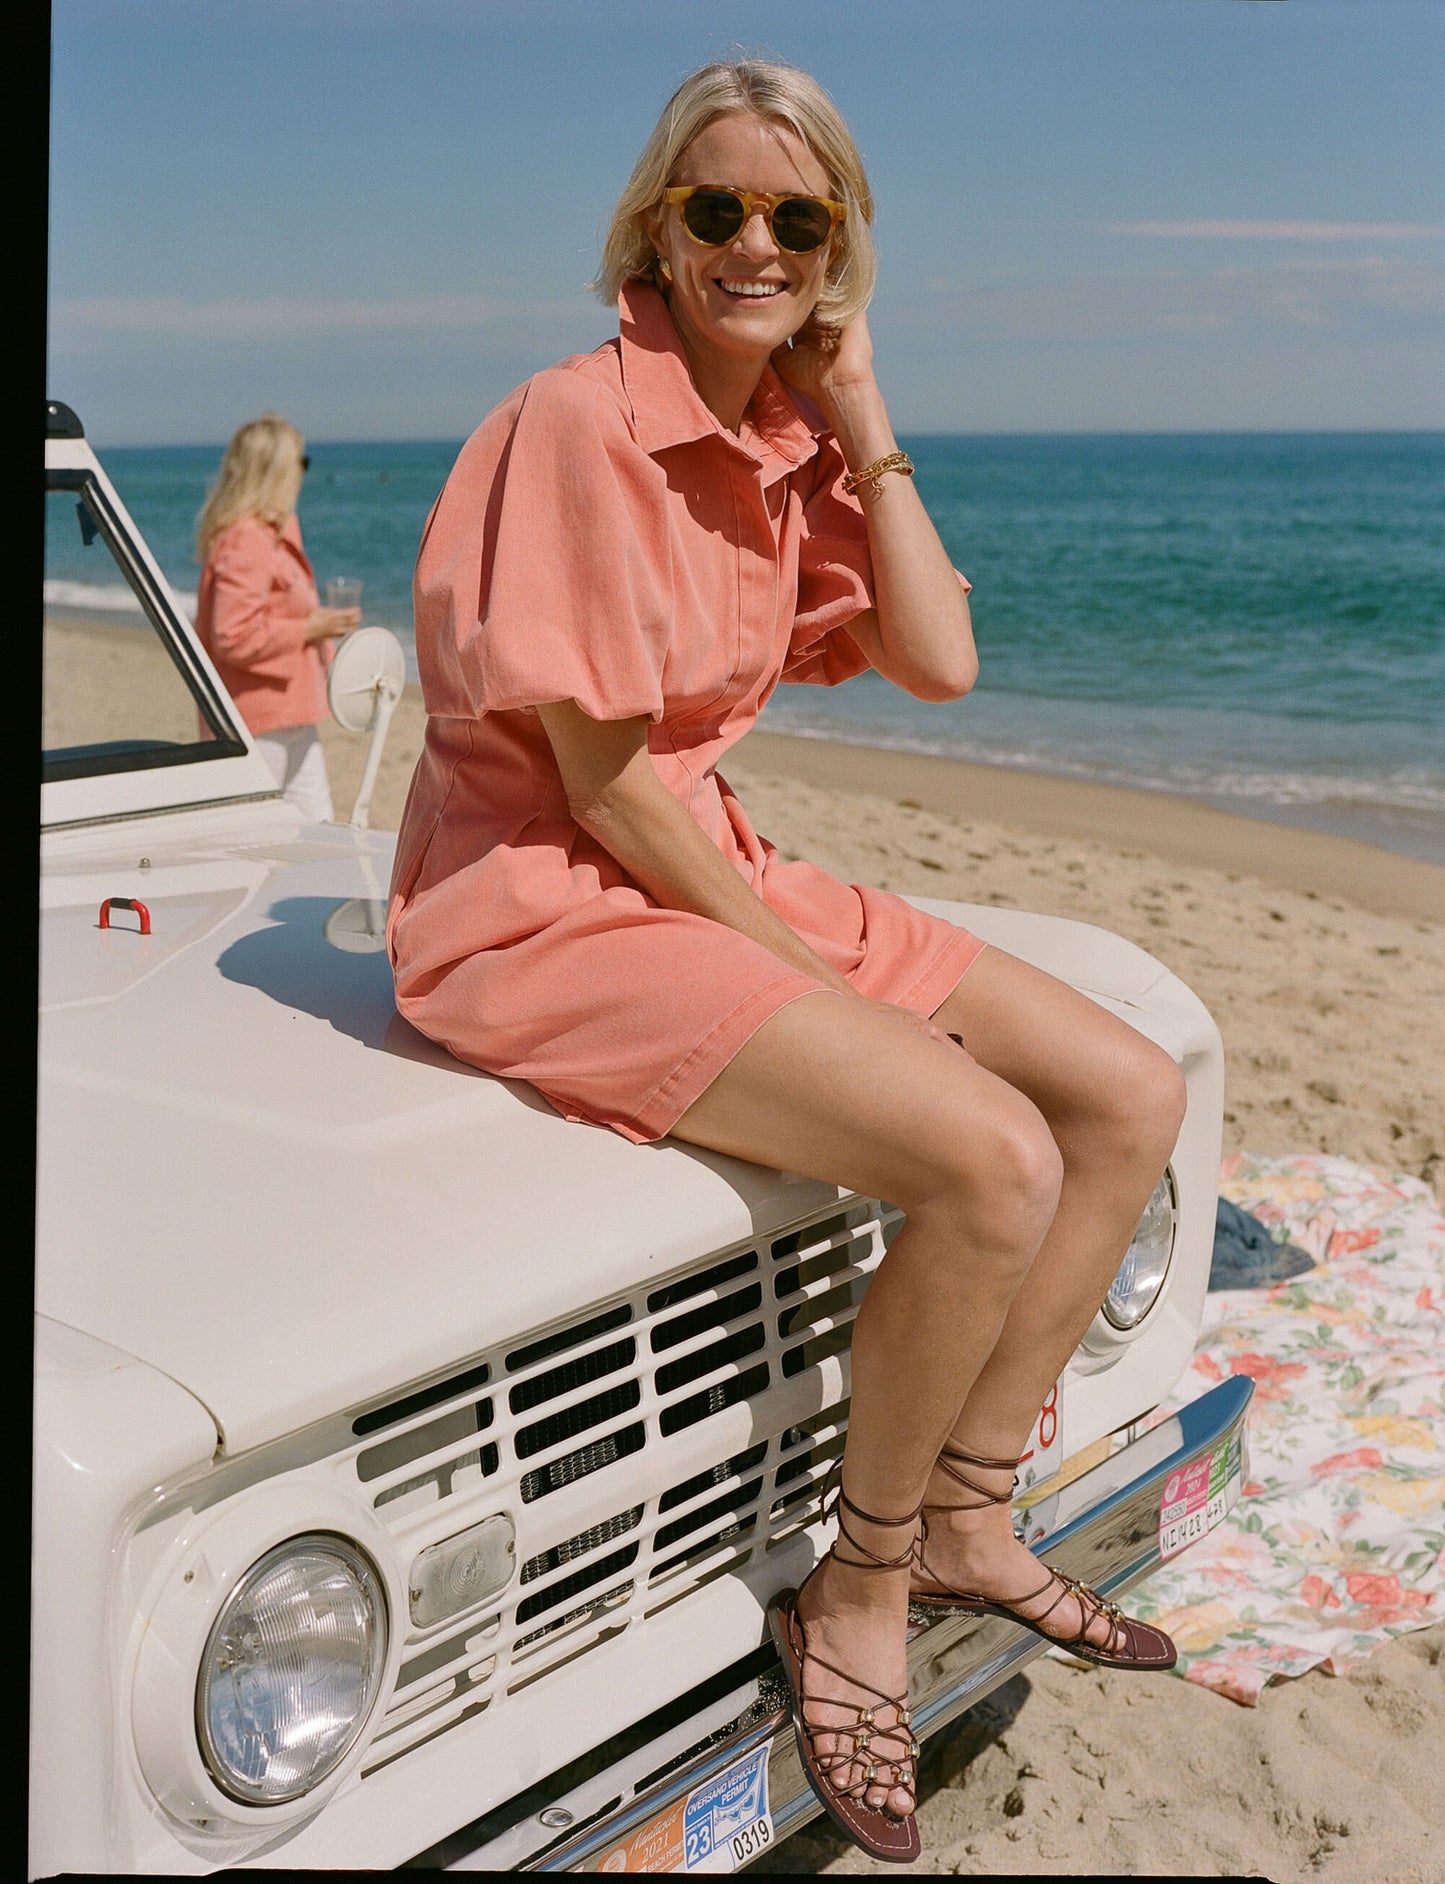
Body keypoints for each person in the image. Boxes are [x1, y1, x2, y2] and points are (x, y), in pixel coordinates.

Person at [387, 60, 1185, 1864]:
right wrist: (808, 978)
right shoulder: (575, 422)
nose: (755, 242)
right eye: (719, 208)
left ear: (839, 250)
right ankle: (867, 1582)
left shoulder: (779, 434)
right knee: (995, 1152)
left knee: (1125, 1092)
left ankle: (976, 1503)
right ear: (654, 225)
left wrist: (863, 398)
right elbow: (600, 783)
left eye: (798, 220)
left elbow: (939, 661)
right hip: (543, 893)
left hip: (705, 855)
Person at [194, 412, 360, 821]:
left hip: (292, 712)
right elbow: (232, 636)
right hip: (257, 719)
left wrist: (325, 641)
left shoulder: (272, 533)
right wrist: (310, 627)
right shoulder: (247, 540)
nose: (304, 473)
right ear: (276, 471)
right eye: (300, 462)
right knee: (262, 833)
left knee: (317, 829)